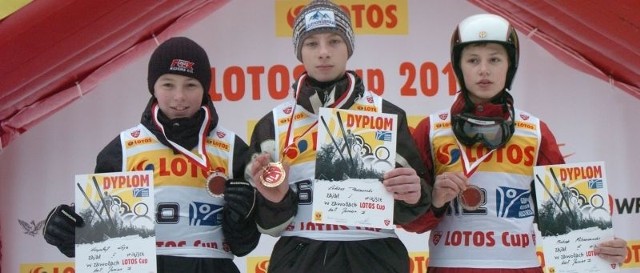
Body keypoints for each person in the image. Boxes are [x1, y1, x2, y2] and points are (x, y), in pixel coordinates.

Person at [402, 13, 629, 273]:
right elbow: (410, 222)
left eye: (495, 59)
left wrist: (602, 246)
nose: (484, 69)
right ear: (458, 66)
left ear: (510, 65)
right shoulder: (431, 129)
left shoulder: (535, 131)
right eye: (473, 60)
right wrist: (436, 200)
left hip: (521, 268)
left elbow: (565, 219)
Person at [244, 1, 433, 272]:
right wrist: (276, 201)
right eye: (311, 43)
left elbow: (413, 211)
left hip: (374, 255)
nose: (323, 52)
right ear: (299, 53)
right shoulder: (273, 124)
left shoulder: (385, 114)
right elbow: (267, 226)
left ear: (348, 48)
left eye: (334, 41)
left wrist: (414, 194)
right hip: (300, 258)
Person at [42, 37, 260, 273]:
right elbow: (100, 241)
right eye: (168, 85)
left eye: (190, 85)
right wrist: (68, 232)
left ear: (205, 89)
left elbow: (243, 245)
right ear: (153, 87)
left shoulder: (231, 148)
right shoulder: (123, 149)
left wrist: (243, 216)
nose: (179, 96)